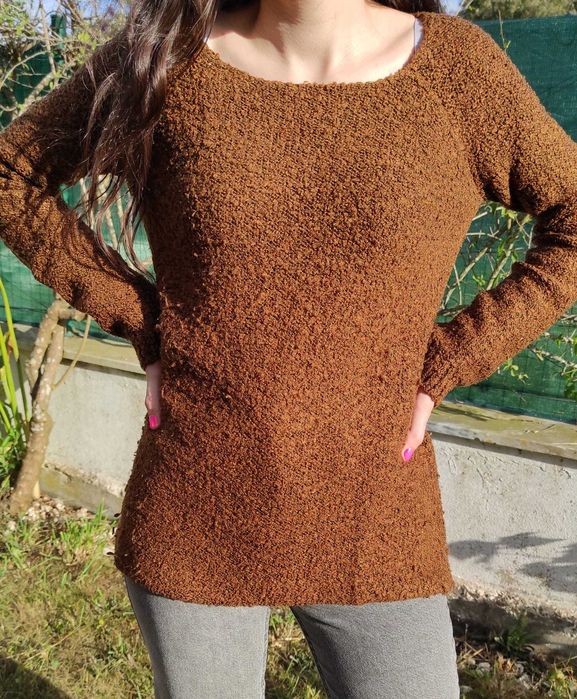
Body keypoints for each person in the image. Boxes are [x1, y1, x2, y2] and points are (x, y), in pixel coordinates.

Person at [2, 0, 577, 696]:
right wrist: (144, 321)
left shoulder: (456, 73)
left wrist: (447, 360)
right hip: (196, 504)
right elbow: (12, 173)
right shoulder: (164, 59)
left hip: (375, 512)